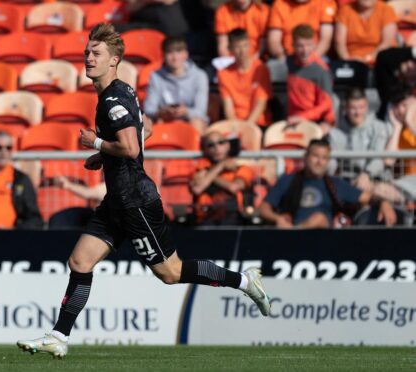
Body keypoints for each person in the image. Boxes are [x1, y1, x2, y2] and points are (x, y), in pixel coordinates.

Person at [16, 23, 270, 358]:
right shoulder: (122, 91)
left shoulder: (112, 100)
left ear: (114, 60)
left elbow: (132, 148)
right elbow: (144, 128)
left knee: (171, 272)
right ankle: (59, 335)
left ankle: (244, 282)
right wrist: (103, 153)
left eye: (96, 53)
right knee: (79, 260)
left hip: (136, 201)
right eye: (87, 52)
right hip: (116, 202)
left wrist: (96, 142)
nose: (88, 58)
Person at [258, 139, 397, 228]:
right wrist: (278, 219)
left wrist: (384, 203)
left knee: (319, 218)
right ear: (306, 157)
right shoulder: (288, 180)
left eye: (324, 158)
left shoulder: (335, 184)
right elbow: (263, 207)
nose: (320, 161)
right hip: (288, 236)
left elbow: (367, 197)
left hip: (325, 240)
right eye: (315, 156)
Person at [328, 88, 404, 203]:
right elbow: (330, 164)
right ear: (345, 108)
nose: (357, 112)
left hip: (378, 180)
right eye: (353, 108)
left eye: (361, 107)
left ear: (367, 106)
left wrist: (366, 175)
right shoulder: (334, 133)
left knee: (385, 194)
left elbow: (379, 158)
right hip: (347, 182)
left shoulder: (379, 128)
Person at [144, 36, 209, 133]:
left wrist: (185, 111)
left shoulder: (199, 76)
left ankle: (193, 147)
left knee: (196, 123)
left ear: (186, 54)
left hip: (190, 120)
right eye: (170, 52)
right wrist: (161, 112)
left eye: (178, 52)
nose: (174, 58)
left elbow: (201, 111)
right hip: (164, 120)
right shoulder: (156, 76)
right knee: (147, 123)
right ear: (163, 55)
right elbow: (149, 109)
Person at [190, 130, 254, 225]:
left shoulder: (242, 169)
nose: (217, 148)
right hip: (206, 219)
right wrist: (220, 166)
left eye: (221, 142)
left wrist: (209, 175)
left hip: (234, 220)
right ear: (205, 150)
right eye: (211, 145)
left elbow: (234, 187)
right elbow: (197, 189)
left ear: (228, 145)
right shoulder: (199, 169)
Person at [286, 24, 336, 133]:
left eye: (308, 45)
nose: (304, 51)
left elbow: (326, 104)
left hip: (314, 120)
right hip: (293, 119)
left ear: (315, 44)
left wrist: (304, 117)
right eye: (300, 46)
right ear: (293, 45)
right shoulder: (289, 62)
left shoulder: (321, 70)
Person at [218, 28, 272, 128]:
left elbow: (261, 103)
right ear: (230, 49)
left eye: (245, 45)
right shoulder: (223, 74)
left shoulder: (261, 69)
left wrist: (247, 127)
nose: (242, 51)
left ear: (250, 45)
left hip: (257, 123)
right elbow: (228, 108)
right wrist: (236, 127)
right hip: (235, 124)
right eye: (237, 47)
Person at [267, 0, 336, 60]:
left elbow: (325, 40)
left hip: (315, 55)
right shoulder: (280, 4)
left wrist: (311, 59)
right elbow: (274, 41)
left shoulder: (324, 2)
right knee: (274, 65)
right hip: (287, 56)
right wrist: (283, 58)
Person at [334, 0, 397, 66]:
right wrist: (348, 61)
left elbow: (387, 42)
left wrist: (368, 59)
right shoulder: (345, 10)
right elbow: (339, 43)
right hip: (352, 60)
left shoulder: (386, 10)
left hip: (380, 60)